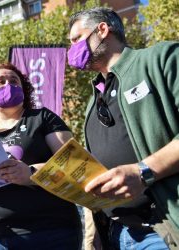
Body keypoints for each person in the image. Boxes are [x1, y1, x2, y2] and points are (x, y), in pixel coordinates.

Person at [67, 7, 179, 250]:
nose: (72, 49)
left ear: (103, 30)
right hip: (115, 235)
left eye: (76, 39)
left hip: (161, 230)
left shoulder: (161, 59)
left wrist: (143, 172)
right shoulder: (92, 101)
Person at [0, 62, 82, 250]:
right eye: (1, 81)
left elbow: (74, 163)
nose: (9, 84)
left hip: (49, 234)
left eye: (14, 81)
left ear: (24, 90)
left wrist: (31, 173)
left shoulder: (43, 118)